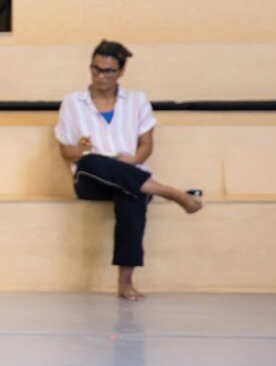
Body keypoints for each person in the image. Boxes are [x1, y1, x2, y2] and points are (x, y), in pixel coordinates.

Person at [55, 40, 203, 301]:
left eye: (108, 71)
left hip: (130, 174)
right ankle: (169, 191)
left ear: (121, 72)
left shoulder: (137, 100)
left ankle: (125, 283)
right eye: (96, 69)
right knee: (92, 161)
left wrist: (132, 161)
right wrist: (81, 149)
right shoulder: (72, 102)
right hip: (91, 178)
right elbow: (65, 151)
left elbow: (146, 145)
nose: (101, 76)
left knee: (132, 198)